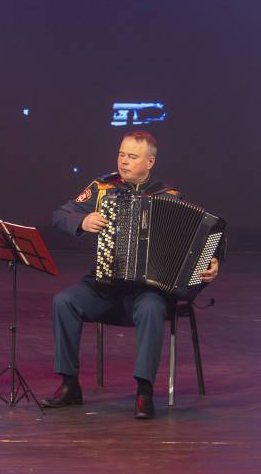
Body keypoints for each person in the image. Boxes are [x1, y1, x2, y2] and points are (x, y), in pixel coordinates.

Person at [41, 131, 219, 419]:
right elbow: (59, 215)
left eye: (132, 156)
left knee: (151, 308)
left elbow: (192, 245)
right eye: (121, 154)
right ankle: (69, 385)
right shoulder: (102, 188)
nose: (123, 161)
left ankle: (144, 391)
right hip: (104, 286)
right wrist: (82, 221)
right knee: (64, 301)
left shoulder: (168, 196)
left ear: (150, 162)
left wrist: (208, 263)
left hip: (146, 292)